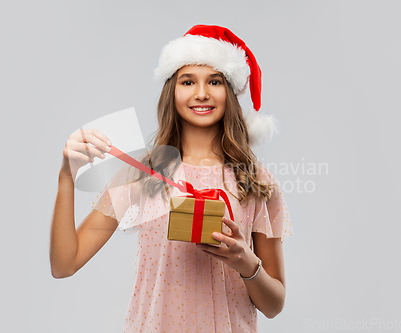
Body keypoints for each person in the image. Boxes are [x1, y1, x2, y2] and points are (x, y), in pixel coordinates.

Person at [50, 24, 293, 332]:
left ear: (229, 93)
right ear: (172, 92)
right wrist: (66, 178)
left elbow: (275, 305)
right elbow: (64, 264)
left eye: (214, 81)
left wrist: (245, 262)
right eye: (188, 81)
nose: (201, 93)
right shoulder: (141, 174)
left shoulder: (257, 183)